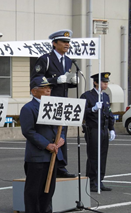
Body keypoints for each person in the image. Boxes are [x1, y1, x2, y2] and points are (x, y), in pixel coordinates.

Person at [31, 29, 78, 178]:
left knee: (62, 133)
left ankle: (61, 166)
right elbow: (36, 79)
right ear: (54, 43)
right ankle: (48, 163)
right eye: (64, 42)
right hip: (49, 101)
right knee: (50, 133)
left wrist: (72, 82)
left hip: (62, 101)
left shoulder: (69, 61)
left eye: (68, 42)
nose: (67, 44)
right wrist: (53, 81)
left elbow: (64, 82)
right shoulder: (46, 59)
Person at [20, 76, 66, 213]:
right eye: (44, 88)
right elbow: (28, 131)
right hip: (37, 156)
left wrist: (61, 138)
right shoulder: (28, 108)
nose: (48, 90)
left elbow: (61, 126)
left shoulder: (54, 105)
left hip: (53, 155)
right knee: (33, 192)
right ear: (34, 91)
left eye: (49, 88)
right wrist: (47, 145)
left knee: (48, 192)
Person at [80, 72, 116, 192]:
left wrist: (111, 128)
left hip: (103, 129)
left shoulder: (105, 96)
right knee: (94, 155)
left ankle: (99, 180)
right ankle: (91, 181)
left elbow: (109, 113)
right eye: (103, 82)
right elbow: (81, 112)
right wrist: (93, 109)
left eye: (106, 82)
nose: (106, 84)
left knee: (103, 155)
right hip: (93, 129)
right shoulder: (87, 96)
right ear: (95, 82)